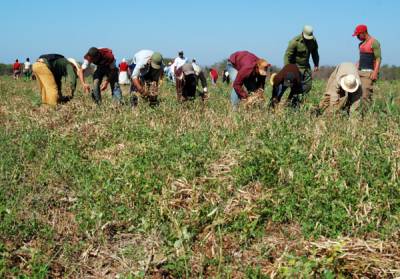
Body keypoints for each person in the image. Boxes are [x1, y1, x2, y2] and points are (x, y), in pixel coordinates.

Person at [284, 25, 319, 98]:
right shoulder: (294, 42)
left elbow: (315, 53)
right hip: (294, 66)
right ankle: (277, 101)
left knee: (307, 86)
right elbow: (287, 56)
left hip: (305, 67)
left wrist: (316, 64)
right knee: (287, 85)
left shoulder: (313, 41)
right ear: (302, 33)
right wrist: (287, 68)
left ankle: (292, 99)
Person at [353, 24, 382, 111]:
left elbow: (378, 58)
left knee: (365, 94)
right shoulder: (361, 45)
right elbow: (361, 58)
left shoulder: (374, 42)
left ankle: (367, 115)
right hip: (360, 72)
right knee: (356, 93)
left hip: (369, 72)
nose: (357, 37)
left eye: (358, 35)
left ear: (364, 33)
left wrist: (375, 72)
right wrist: (355, 67)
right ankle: (358, 112)